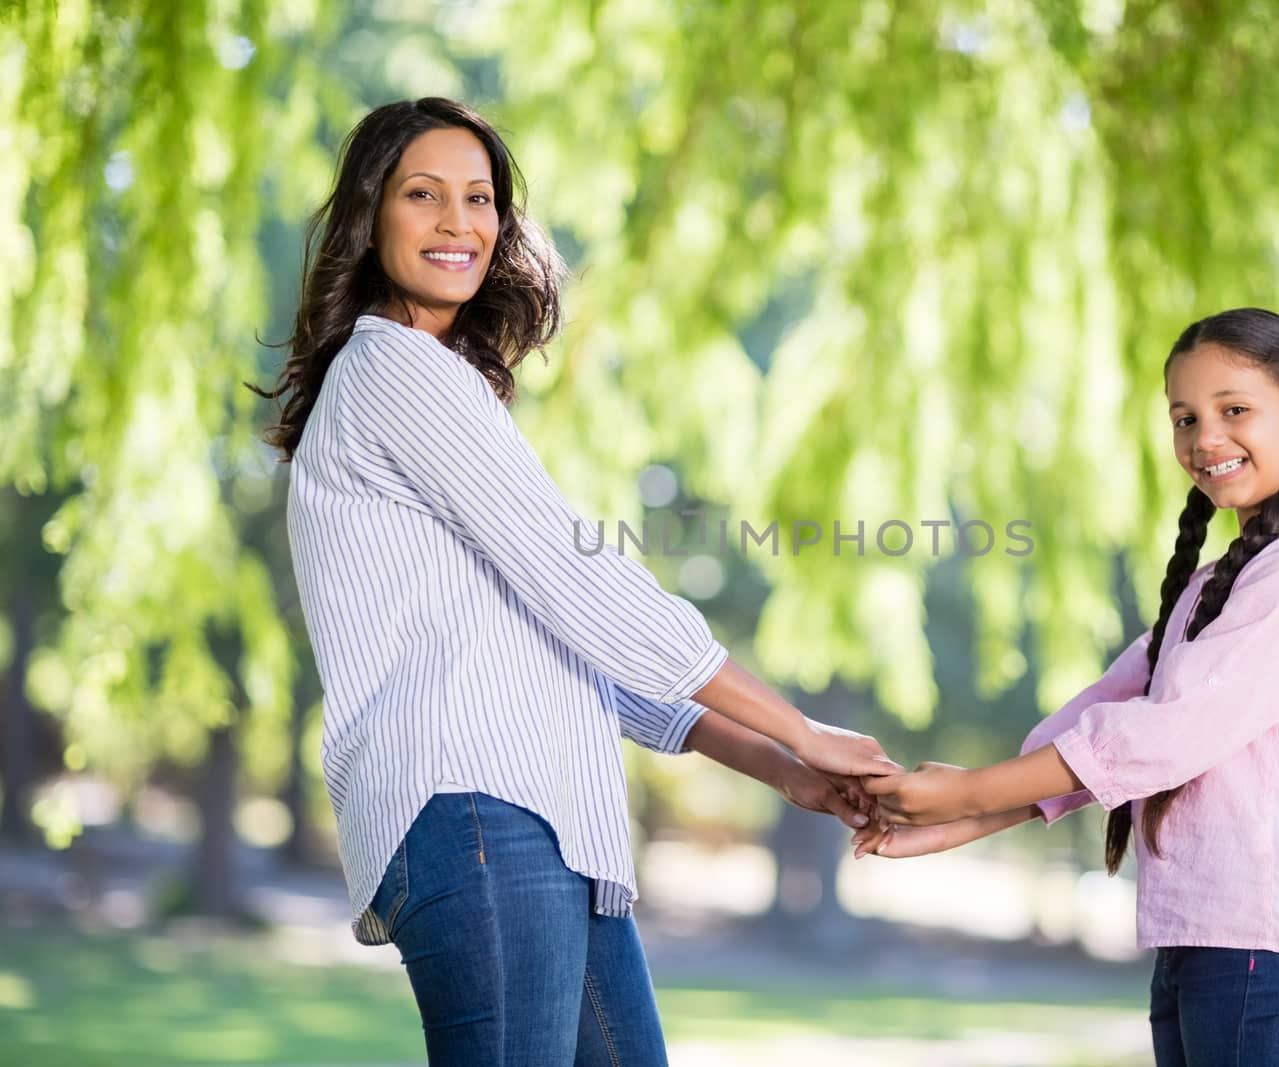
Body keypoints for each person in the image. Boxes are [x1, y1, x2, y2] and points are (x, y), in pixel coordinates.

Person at [251, 97, 895, 1066]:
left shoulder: (435, 380)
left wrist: (779, 767)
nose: (457, 221)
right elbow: (581, 580)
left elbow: (557, 636)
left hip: (542, 828)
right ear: (369, 216)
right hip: (477, 812)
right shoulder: (393, 370)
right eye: (423, 194)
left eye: (479, 198)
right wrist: (794, 722)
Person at [856, 308, 1279, 1066]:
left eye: (1234, 410)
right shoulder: (1216, 585)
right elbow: (1105, 711)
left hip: (1255, 941)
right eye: (1185, 417)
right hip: (1201, 933)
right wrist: (958, 813)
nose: (1205, 439)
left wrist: (967, 796)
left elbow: (1161, 739)